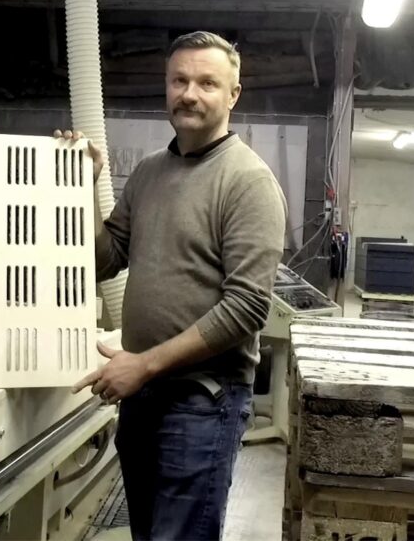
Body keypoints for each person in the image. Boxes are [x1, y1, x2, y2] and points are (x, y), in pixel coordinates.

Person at [61, 31, 288, 541]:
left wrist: (142, 363)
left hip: (201, 401)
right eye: (179, 80)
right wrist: (81, 184)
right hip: (142, 394)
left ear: (233, 94)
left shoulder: (247, 181)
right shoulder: (147, 174)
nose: (189, 93)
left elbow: (247, 308)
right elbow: (104, 259)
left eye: (207, 83)